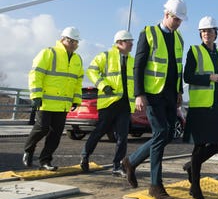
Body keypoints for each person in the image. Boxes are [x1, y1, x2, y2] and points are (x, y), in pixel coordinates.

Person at [121, 0, 187, 199]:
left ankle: (131, 162)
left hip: (169, 95)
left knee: (167, 135)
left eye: (180, 20)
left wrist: (179, 92)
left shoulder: (179, 39)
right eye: (176, 19)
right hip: (152, 94)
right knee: (160, 133)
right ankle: (155, 186)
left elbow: (178, 67)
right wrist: (139, 94)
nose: (178, 23)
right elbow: (138, 65)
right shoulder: (148, 33)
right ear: (166, 14)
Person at [182, 16, 218, 199]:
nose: (206, 34)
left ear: (215, 33)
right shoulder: (194, 51)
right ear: (200, 34)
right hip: (200, 106)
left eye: (210, 31)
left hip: (217, 106)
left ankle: (191, 166)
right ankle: (195, 186)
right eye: (203, 31)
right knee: (199, 146)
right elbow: (187, 76)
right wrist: (208, 78)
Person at [23, 27, 84, 170]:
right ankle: (29, 150)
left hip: (63, 103)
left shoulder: (77, 59)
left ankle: (45, 161)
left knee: (56, 134)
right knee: (42, 128)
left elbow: (77, 81)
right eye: (72, 41)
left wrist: (76, 99)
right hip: (45, 100)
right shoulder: (49, 52)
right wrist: (36, 95)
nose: (74, 44)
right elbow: (36, 74)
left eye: (76, 42)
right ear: (63, 39)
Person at [80, 30, 135, 177]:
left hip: (125, 104)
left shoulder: (132, 60)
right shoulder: (105, 56)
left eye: (131, 41)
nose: (131, 44)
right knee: (99, 132)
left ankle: (117, 166)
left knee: (123, 136)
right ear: (119, 43)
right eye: (128, 41)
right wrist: (103, 85)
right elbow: (91, 71)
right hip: (109, 103)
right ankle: (85, 156)